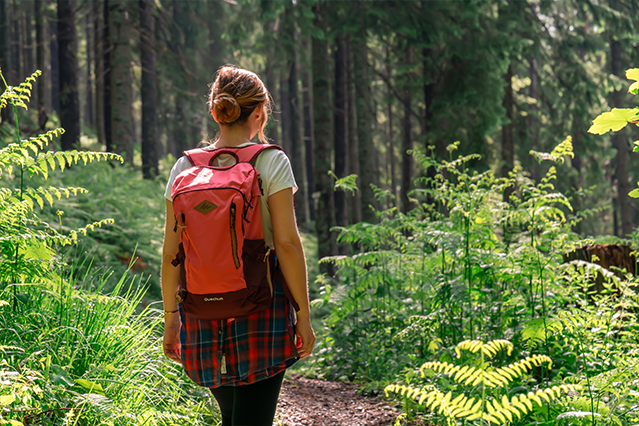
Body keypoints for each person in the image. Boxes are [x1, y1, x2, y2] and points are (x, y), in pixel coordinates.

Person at [160, 65, 315, 426]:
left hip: (200, 307)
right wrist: (303, 317)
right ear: (259, 112)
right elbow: (288, 245)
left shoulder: (184, 167)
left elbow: (171, 253)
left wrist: (171, 320)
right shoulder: (270, 160)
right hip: (262, 302)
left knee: (233, 415)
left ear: (216, 112)